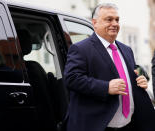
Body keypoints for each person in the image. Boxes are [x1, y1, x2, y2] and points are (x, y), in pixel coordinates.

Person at [64, 3, 155, 131]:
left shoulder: (126, 49)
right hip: (99, 125)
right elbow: (72, 79)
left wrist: (142, 77)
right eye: (109, 19)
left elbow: (134, 69)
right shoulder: (80, 49)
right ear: (94, 23)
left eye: (117, 20)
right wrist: (106, 87)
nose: (114, 23)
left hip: (130, 124)